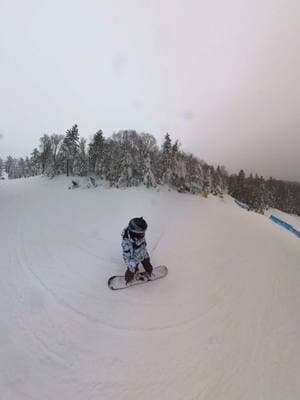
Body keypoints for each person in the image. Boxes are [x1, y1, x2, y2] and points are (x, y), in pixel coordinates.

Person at [121, 217, 153, 284]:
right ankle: (128, 280)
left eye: (143, 232)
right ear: (134, 232)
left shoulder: (139, 236)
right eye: (141, 233)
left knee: (148, 265)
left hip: (143, 254)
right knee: (132, 271)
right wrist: (131, 264)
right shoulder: (127, 242)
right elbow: (126, 256)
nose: (143, 234)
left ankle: (149, 272)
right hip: (134, 260)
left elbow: (143, 244)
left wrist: (144, 252)